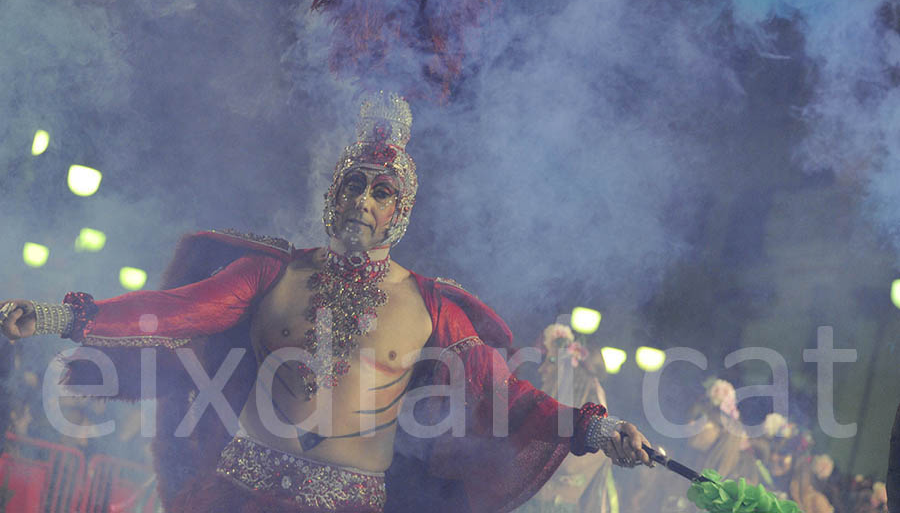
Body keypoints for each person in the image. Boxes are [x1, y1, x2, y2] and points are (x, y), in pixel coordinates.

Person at [1, 93, 653, 513]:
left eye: (380, 191)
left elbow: (508, 397)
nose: (362, 200)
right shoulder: (269, 272)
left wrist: (597, 428)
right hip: (236, 492)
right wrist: (58, 316)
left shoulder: (430, 306)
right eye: (353, 184)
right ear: (333, 192)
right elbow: (171, 311)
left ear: (400, 210)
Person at [515, 324, 615, 513]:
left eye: (550, 360)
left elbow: (564, 466)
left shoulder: (597, 443)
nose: (542, 369)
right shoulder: (536, 421)